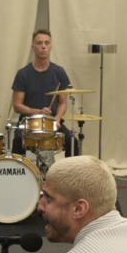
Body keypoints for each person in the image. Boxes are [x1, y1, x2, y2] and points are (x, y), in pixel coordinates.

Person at [11, 29, 75, 157]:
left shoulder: (59, 72)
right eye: (39, 43)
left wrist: (57, 119)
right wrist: (38, 112)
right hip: (28, 122)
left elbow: (63, 103)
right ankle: (20, 176)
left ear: (51, 47)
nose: (43, 46)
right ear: (33, 48)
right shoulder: (23, 74)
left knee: (71, 140)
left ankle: (71, 174)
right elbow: (17, 105)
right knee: (18, 140)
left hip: (53, 122)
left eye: (47, 43)